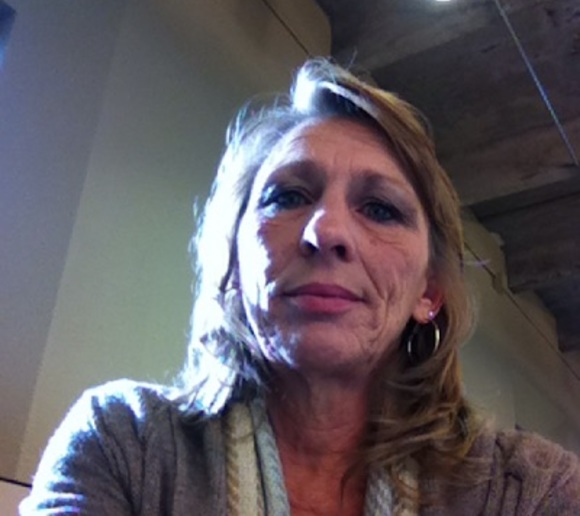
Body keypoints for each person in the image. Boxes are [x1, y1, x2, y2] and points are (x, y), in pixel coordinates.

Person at [21, 59, 580, 515]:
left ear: (429, 292)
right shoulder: (125, 445)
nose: (326, 231)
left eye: (379, 209)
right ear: (233, 260)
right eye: (287, 197)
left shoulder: (528, 491)